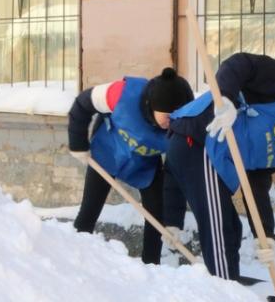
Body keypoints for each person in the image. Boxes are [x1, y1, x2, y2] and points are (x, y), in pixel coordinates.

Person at [166, 53, 275, 281]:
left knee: (231, 227)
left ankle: (228, 282)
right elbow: (239, 64)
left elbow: (258, 181)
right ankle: (224, 292)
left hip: (212, 152)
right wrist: (226, 100)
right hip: (201, 140)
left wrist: (264, 233)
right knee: (220, 229)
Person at [67, 67, 195, 265]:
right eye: (167, 116)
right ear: (152, 106)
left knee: (156, 217)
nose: (171, 122)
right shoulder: (121, 94)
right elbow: (82, 104)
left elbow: (176, 174)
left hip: (145, 165)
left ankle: (151, 266)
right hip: (107, 152)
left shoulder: (184, 127)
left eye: (177, 116)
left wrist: (173, 222)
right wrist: (78, 143)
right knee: (89, 210)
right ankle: (73, 256)